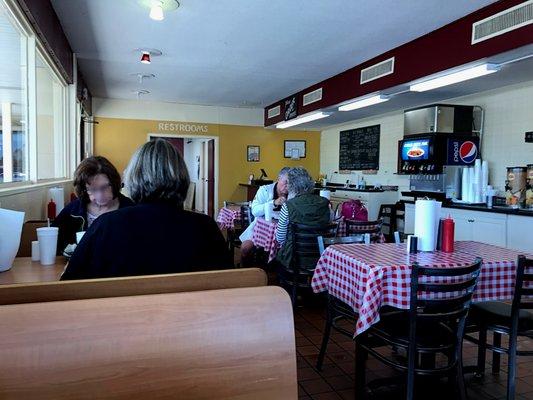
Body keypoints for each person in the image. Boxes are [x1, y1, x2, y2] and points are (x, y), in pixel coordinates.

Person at [61, 139, 232, 280]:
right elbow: (229, 284)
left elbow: (69, 285)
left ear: (134, 177)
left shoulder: (105, 225)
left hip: (119, 318)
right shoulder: (206, 226)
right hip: (195, 318)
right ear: (183, 177)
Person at [53, 156, 134, 255]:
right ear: (84, 189)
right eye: (92, 189)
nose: (100, 195)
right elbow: (55, 244)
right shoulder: (73, 211)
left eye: (104, 187)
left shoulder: (129, 208)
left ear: (114, 183)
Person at [275, 167, 331, 268]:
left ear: (291, 185)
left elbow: (280, 238)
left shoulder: (288, 206)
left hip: (294, 258)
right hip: (322, 256)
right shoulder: (325, 203)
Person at [239, 167, 289, 266]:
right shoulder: (265, 190)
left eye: (291, 184)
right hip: (262, 229)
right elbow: (255, 211)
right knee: (245, 248)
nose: (288, 186)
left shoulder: (294, 193)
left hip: (283, 230)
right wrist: (273, 203)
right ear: (278, 179)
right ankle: (245, 272)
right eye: (286, 182)